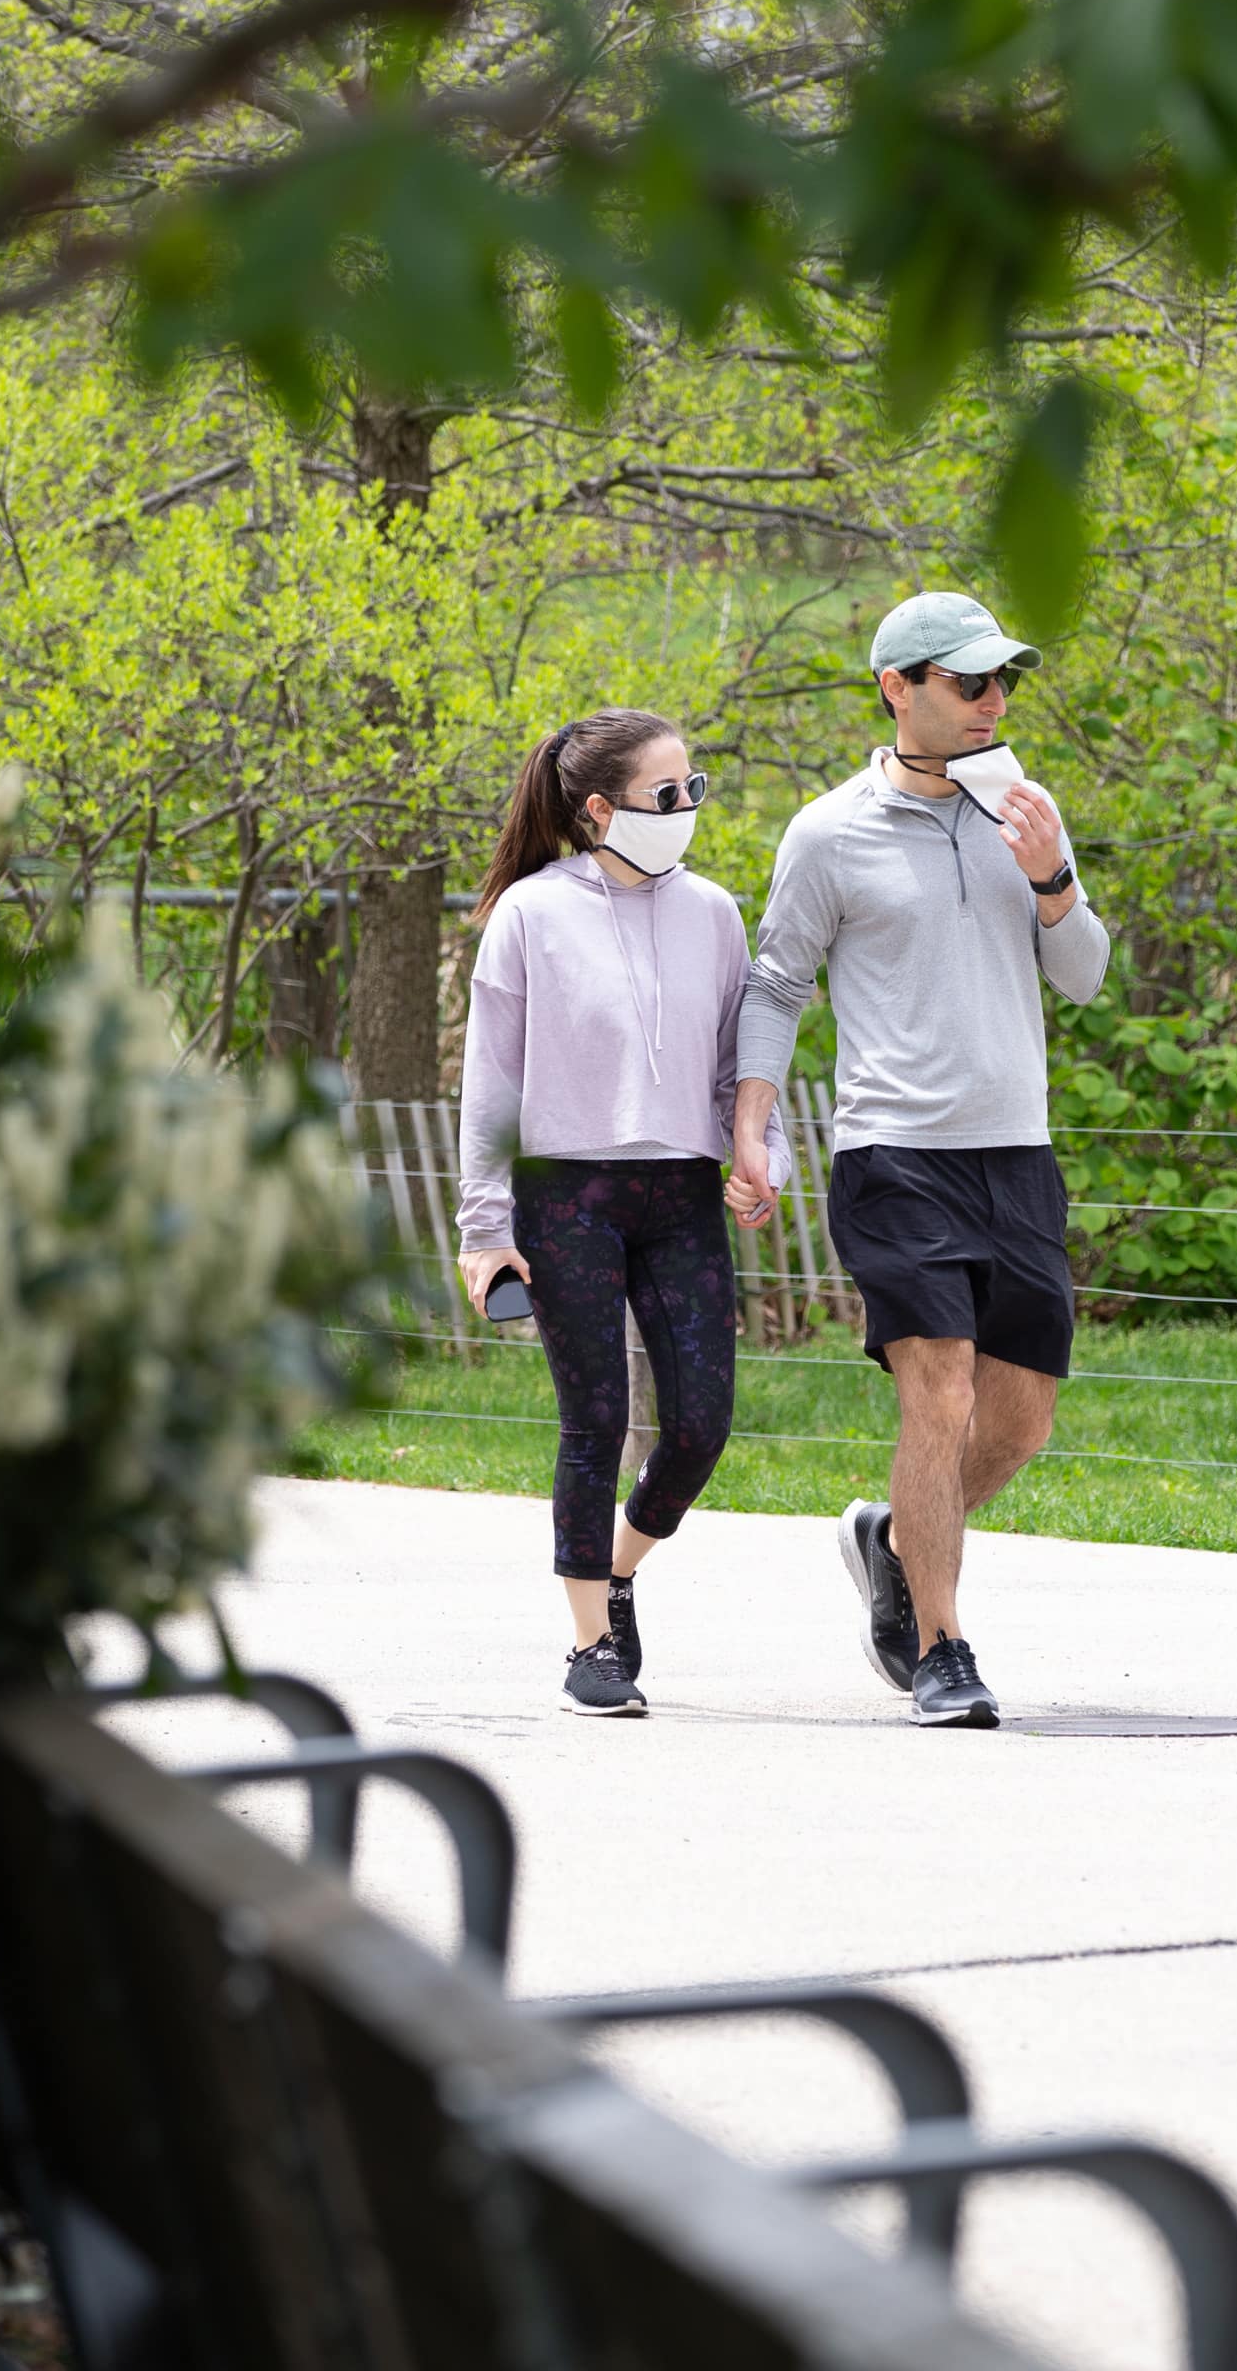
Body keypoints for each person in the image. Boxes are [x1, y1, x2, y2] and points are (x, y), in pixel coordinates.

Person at [730, 592, 1110, 1729]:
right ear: (899, 689)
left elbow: (1084, 976)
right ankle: (942, 1647)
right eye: (969, 682)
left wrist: (1051, 876)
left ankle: (894, 1543)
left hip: (1018, 1154)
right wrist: (753, 1119)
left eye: (1004, 682)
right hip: (895, 1153)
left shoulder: (1028, 812)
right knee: (936, 1395)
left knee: (1022, 1418)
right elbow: (777, 981)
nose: (994, 701)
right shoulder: (827, 831)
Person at [456, 708, 791, 1717]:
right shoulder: (529, 914)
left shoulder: (716, 915)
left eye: (696, 788)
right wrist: (485, 1229)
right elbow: (491, 1084)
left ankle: (620, 1566)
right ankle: (592, 1646)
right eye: (668, 794)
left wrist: (759, 1153)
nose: (688, 808)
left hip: (681, 1194)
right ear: (601, 810)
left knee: (698, 1427)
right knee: (596, 1419)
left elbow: (741, 1065)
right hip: (566, 1197)